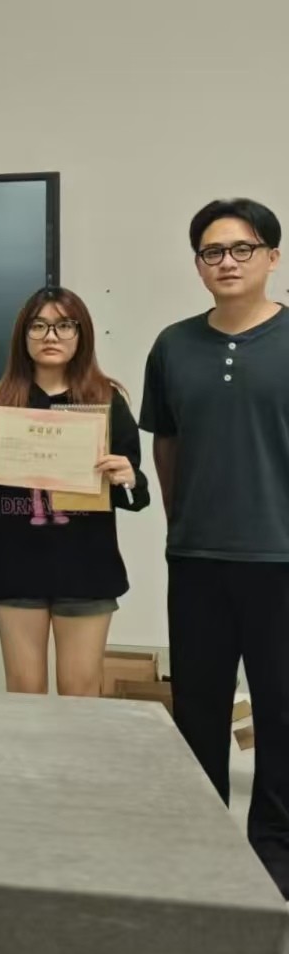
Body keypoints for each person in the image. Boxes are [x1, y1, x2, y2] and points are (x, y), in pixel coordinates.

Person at [140, 197, 289, 896]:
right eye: (212, 251)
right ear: (198, 264)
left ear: (272, 257)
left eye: (242, 248)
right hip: (197, 558)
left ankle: (274, 853)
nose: (226, 262)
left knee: (281, 712)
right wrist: (182, 527)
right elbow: (166, 446)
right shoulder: (173, 345)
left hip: (280, 560)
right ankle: (198, 848)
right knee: (197, 711)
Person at [0, 288, 148, 696]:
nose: (51, 336)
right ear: (23, 335)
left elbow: (135, 491)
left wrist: (127, 476)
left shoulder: (106, 401)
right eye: (39, 326)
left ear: (82, 334)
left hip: (86, 564)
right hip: (16, 562)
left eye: (64, 326)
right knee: (25, 690)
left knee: (81, 690)